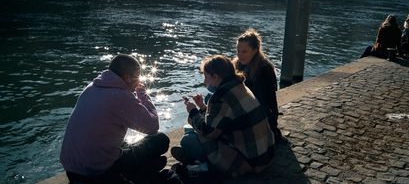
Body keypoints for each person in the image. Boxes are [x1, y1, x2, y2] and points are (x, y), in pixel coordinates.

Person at [60, 54, 170, 183]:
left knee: (127, 146)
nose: (139, 81)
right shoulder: (120, 95)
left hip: (71, 168)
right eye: (138, 76)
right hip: (96, 169)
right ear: (127, 78)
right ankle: (137, 174)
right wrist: (143, 94)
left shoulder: (91, 87)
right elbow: (152, 126)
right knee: (160, 140)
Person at [172, 55, 275, 177]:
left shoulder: (220, 97)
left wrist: (193, 111)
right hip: (264, 154)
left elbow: (209, 131)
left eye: (206, 77)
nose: (205, 82)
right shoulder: (239, 85)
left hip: (248, 162)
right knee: (188, 129)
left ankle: (205, 166)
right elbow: (224, 119)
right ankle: (198, 160)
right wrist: (203, 107)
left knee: (188, 140)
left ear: (215, 76)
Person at [232, 29, 283, 143]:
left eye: (244, 51)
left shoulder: (264, 69)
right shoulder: (237, 64)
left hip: (261, 114)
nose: (240, 55)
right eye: (238, 51)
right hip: (246, 107)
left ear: (255, 50)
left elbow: (263, 103)